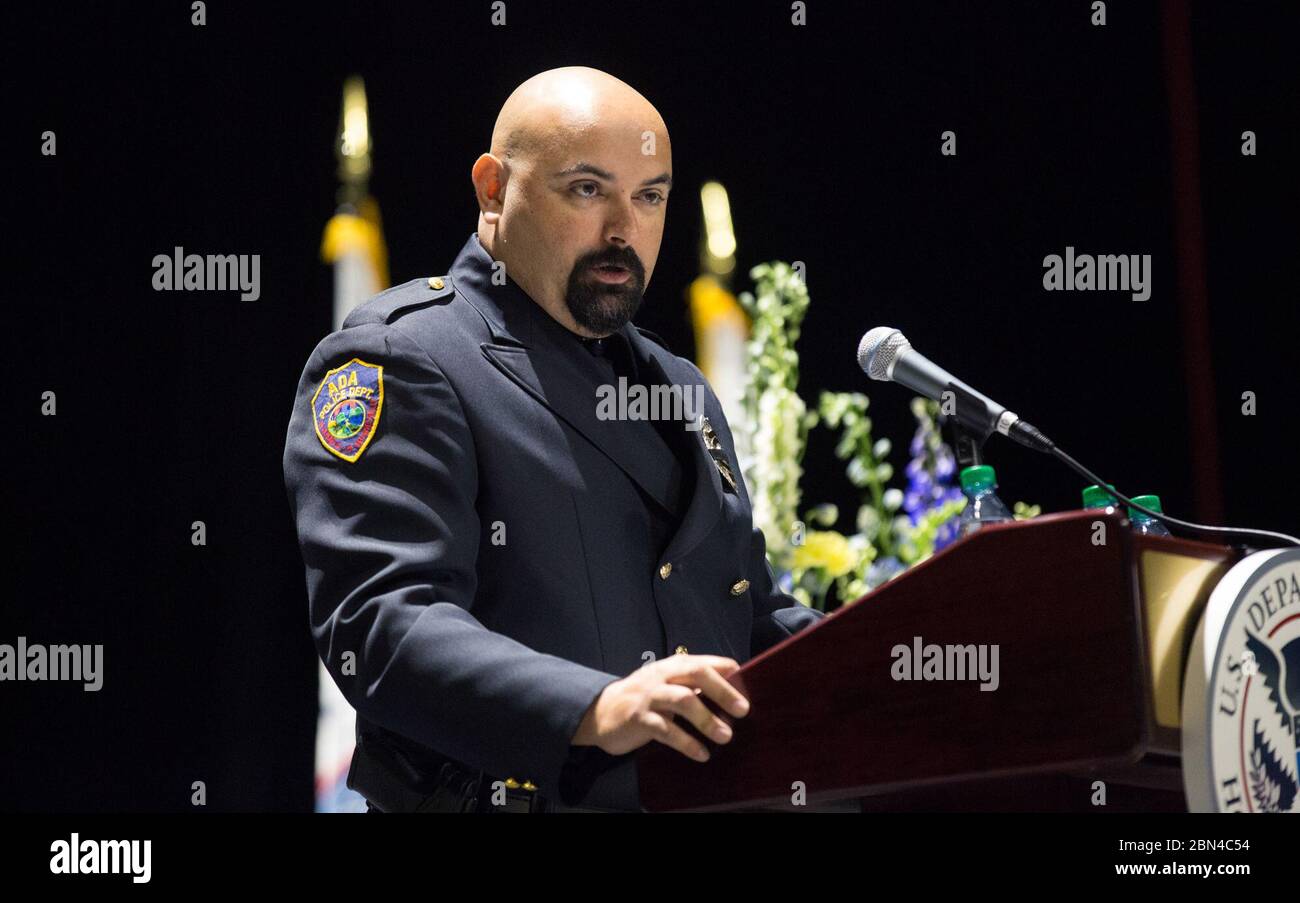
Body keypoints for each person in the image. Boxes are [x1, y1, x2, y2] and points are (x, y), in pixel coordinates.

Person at [282, 66, 823, 813]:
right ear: (492, 188)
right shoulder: (402, 359)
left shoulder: (681, 388)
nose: (623, 229)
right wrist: (590, 708)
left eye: (650, 196)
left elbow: (749, 618)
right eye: (588, 189)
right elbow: (382, 624)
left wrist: (901, 648)